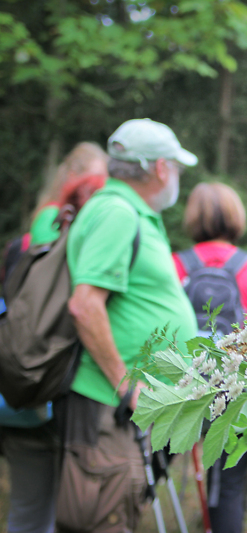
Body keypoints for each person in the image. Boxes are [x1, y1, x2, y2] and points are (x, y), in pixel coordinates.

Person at [61, 118, 198, 532]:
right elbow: (85, 305)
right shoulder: (118, 212)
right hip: (109, 406)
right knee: (105, 518)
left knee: (119, 512)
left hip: (118, 408)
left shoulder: (127, 211)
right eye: (175, 166)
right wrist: (128, 389)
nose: (176, 176)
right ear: (159, 168)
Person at [0, 142, 108, 533]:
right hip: (60, 387)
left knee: (30, 510)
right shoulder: (78, 230)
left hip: (22, 382)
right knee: (62, 512)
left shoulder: (27, 235)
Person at [173, 182, 247, 533]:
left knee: (150, 468)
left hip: (182, 389)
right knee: (228, 486)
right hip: (236, 390)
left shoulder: (177, 263)